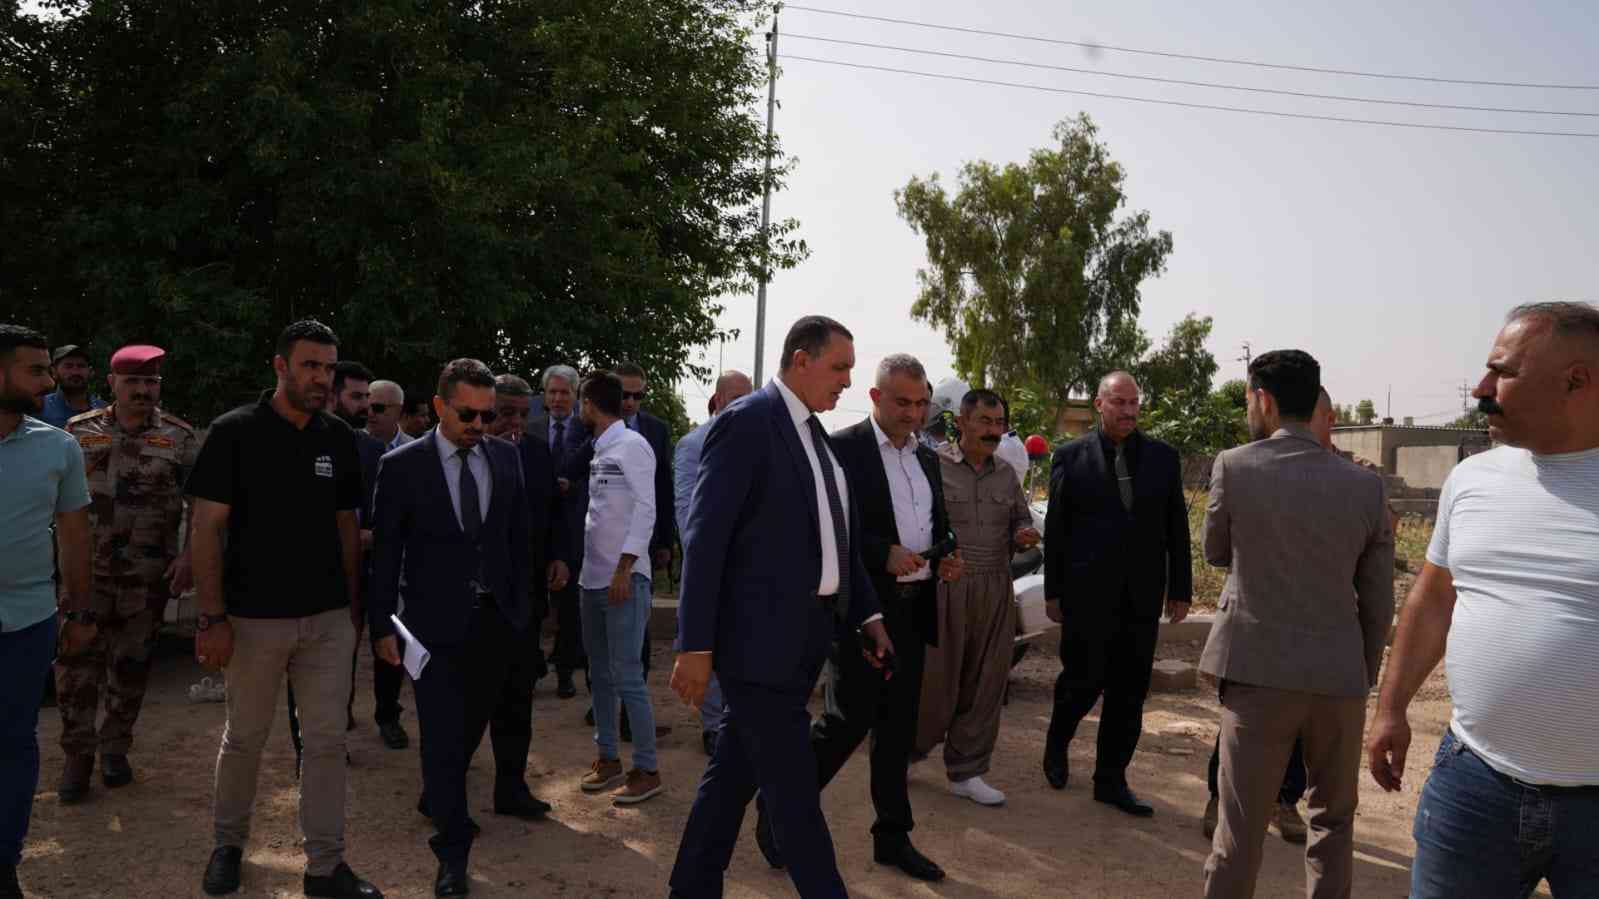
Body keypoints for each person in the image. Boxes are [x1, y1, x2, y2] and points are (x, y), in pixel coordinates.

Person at [1368, 302, 1599, 899]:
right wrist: (1391, 707)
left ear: (1576, 381)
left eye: (1504, 372)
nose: (1481, 389)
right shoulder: (1473, 480)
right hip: (1474, 787)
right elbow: (1433, 599)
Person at [667, 315, 891, 899]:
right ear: (801, 360)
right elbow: (706, 540)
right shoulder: (747, 423)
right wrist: (695, 645)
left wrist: (868, 615)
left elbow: (838, 540)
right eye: (839, 367)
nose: (847, 381)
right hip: (756, 648)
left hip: (804, 642)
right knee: (794, 796)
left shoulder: (816, 435)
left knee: (729, 780)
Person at [186, 320, 381, 898]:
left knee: (326, 744)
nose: (321, 378)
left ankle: (326, 867)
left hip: (327, 622)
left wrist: (352, 609)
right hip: (252, 622)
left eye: (328, 367)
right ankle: (227, 845)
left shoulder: (338, 437)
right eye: (310, 366)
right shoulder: (233, 433)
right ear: (280, 366)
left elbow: (346, 527)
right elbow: (206, 529)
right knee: (245, 738)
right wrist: (211, 618)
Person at [1199, 351, 1394, 899]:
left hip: (1256, 673)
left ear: (1264, 399)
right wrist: (1361, 671)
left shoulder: (1235, 466)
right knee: (1333, 822)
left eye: (1248, 400)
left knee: (1239, 831)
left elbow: (1215, 552)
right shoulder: (1365, 486)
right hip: (1338, 678)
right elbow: (1378, 600)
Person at [369, 358, 532, 897]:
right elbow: (385, 554)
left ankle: (438, 796)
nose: (480, 425)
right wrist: (381, 626)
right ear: (439, 406)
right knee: (441, 734)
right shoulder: (402, 467)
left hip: (495, 623)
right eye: (468, 414)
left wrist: (522, 611)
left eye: (488, 415)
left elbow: (517, 540)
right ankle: (452, 851)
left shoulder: (506, 458)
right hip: (432, 627)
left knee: (468, 730)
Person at [800, 354, 958, 880]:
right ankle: (780, 816)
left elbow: (936, 523)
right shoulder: (842, 449)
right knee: (845, 725)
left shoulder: (928, 457)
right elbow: (823, 532)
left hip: (915, 611)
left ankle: (892, 838)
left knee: (897, 732)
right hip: (862, 612)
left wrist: (946, 556)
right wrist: (879, 553)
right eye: (902, 402)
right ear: (875, 397)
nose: (913, 413)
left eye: (921, 403)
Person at [1041, 371, 1191, 817]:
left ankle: (1111, 780)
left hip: (1140, 598)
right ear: (1099, 405)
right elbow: (1057, 530)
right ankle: (1057, 742)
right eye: (1119, 402)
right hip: (1086, 595)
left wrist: (1180, 588)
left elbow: (1176, 528)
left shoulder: (1163, 458)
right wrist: (1054, 592)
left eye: (1133, 403)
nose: (1128, 411)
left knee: (1129, 692)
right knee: (1081, 682)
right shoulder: (1070, 456)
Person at [54, 344, 198, 803]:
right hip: (86, 575)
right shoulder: (77, 431)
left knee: (131, 665)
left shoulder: (179, 436)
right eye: (133, 381)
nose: (142, 390)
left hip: (146, 575)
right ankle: (78, 755)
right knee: (76, 667)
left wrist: (190, 555)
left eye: (150, 382)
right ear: (112, 383)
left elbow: (200, 502)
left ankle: (115, 749)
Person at [1199, 384, 1338, 846]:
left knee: (1299, 726)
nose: (1329, 426)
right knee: (1238, 723)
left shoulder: (1350, 478)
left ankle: (1285, 800)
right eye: (1324, 417)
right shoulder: (1249, 467)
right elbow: (1219, 550)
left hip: (1314, 629)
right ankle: (1219, 797)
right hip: (1255, 625)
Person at [0, 324, 93, 899]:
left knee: (14, 743)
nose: (49, 381)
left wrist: (80, 613)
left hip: (28, 624)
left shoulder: (59, 447)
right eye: (35, 370)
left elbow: (75, 537)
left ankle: (4, 862)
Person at [914, 388, 1036, 807]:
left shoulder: (1006, 473)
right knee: (934, 681)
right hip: (946, 585)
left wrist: (1023, 534)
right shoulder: (932, 464)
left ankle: (967, 772)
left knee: (986, 682)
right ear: (961, 422)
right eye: (984, 421)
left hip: (995, 586)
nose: (993, 431)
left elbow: (1020, 520)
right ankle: (907, 753)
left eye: (999, 423)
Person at [574, 371, 665, 805]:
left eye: (581, 402)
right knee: (599, 674)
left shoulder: (632, 445)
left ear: (589, 404)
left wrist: (625, 568)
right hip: (592, 579)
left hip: (623, 580)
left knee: (628, 676)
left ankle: (647, 769)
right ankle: (607, 757)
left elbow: (647, 509)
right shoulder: (601, 448)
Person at [484, 372, 570, 820]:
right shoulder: (467, 454)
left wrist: (558, 556)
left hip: (526, 598)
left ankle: (512, 787)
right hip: (475, 601)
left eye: (522, 414)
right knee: (467, 703)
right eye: (505, 414)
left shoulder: (537, 452)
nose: (515, 423)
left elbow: (553, 512)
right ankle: (441, 790)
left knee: (518, 697)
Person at [672, 370, 754, 757]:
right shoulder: (693, 444)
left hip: (749, 567)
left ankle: (735, 723)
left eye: (747, 398)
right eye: (735, 398)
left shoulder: (759, 441)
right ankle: (712, 725)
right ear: (717, 400)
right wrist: (703, 559)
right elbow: (687, 509)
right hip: (710, 565)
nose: (741, 406)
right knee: (706, 645)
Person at [526, 364, 589, 699]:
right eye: (552, 392)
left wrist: (572, 486)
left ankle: (565, 672)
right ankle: (532, 664)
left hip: (575, 530)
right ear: (544, 395)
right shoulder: (530, 427)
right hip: (536, 529)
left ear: (576, 395)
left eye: (565, 392)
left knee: (570, 608)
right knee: (533, 603)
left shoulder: (588, 430)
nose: (558, 398)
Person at [39, 344, 106, 429]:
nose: (75, 372)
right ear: (54, 371)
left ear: (90, 371)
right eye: (68, 366)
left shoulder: (104, 410)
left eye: (81, 366)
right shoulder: (40, 408)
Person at [364, 380, 412, 452]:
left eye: (378, 408)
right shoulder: (352, 442)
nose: (369, 413)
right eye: (366, 407)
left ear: (398, 410)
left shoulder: (413, 449)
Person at [492, 374, 533, 444]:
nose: (517, 422)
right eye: (508, 413)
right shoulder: (473, 446)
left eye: (524, 414)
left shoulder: (540, 448)